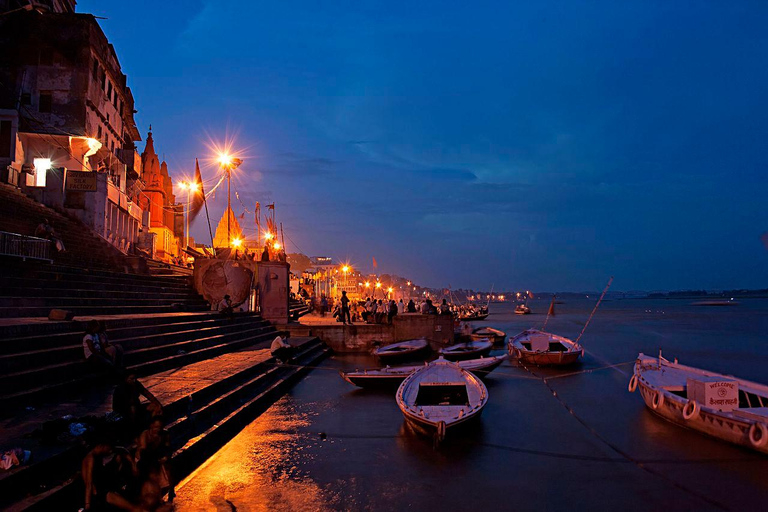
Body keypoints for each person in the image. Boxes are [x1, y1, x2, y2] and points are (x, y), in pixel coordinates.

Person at [82, 439, 139, 511]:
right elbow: (88, 483)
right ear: (101, 446)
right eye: (108, 448)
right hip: (101, 493)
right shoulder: (90, 458)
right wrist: (88, 503)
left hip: (103, 490)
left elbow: (120, 449)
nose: (109, 450)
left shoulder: (94, 457)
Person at [136, 417, 173, 502]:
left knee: (168, 466)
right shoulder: (145, 434)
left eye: (159, 427)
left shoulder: (164, 434)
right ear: (151, 426)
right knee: (150, 468)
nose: (158, 429)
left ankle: (170, 490)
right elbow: (143, 452)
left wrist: (165, 457)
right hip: (145, 458)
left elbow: (168, 448)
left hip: (158, 456)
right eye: (156, 427)